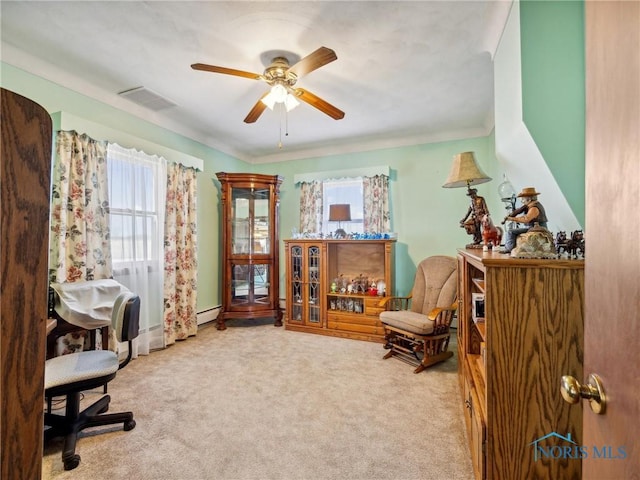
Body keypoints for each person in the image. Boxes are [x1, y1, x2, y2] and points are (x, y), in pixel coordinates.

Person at [503, 187, 548, 252]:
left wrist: (512, 218)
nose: (522, 201)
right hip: (533, 227)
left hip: (537, 228)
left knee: (510, 232)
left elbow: (526, 219)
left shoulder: (534, 208)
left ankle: (509, 249)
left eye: (523, 199)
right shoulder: (531, 206)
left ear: (529, 200)